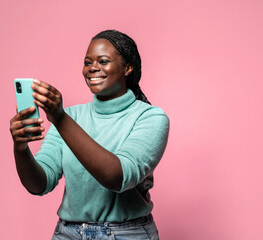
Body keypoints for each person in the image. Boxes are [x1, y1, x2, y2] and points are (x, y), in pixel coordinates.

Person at [9, 30, 169, 240]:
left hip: (127, 234)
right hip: (68, 234)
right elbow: (39, 184)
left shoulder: (150, 117)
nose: (93, 68)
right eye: (87, 62)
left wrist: (60, 119)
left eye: (103, 61)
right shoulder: (71, 116)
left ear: (127, 68)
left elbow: (117, 177)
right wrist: (20, 148)